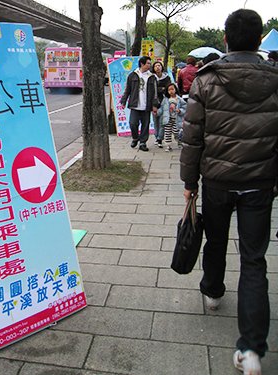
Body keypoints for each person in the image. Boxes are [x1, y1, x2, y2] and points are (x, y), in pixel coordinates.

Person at [180, 9, 278, 375]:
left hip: (217, 181)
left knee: (216, 240)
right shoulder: (275, 79)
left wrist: (190, 184)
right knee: (255, 260)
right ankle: (252, 351)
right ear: (259, 41)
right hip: (259, 183)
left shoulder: (207, 80)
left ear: (225, 39)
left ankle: (213, 290)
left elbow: (191, 138)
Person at [120, 56, 158, 151]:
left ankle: (143, 143)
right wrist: (123, 101)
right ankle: (135, 138)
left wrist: (155, 105)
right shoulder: (132, 75)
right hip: (135, 104)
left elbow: (155, 93)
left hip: (147, 106)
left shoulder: (152, 77)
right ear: (142, 64)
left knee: (145, 125)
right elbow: (127, 90)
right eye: (148, 63)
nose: (150, 65)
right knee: (133, 123)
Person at [157, 83, 186, 152]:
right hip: (168, 119)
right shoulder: (166, 99)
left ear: (175, 89)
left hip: (176, 119)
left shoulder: (179, 99)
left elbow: (185, 107)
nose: (171, 91)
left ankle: (179, 141)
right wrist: (157, 112)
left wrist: (180, 111)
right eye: (169, 90)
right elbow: (162, 108)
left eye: (172, 89)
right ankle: (168, 145)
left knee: (176, 132)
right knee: (167, 132)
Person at [152, 61, 171, 148]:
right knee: (155, 121)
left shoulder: (166, 77)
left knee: (162, 122)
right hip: (154, 103)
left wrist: (161, 89)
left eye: (159, 65)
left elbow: (168, 88)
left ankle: (160, 138)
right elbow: (151, 89)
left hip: (164, 102)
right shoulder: (152, 77)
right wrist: (161, 89)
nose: (157, 67)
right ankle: (156, 137)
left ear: (162, 67)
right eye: (155, 66)